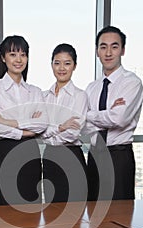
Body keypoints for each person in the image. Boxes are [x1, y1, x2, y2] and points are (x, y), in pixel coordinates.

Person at [0, 35, 48, 205]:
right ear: (4, 58)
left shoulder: (35, 91)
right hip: (4, 153)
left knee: (31, 209)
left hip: (30, 155)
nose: (19, 60)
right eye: (12, 54)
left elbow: (42, 124)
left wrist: (6, 120)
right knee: (5, 212)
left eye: (23, 54)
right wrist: (27, 129)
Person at [85, 25, 143, 201]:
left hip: (119, 157)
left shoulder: (131, 83)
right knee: (93, 213)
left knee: (120, 216)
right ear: (97, 51)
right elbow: (83, 124)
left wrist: (90, 114)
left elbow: (119, 118)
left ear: (123, 50)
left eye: (114, 46)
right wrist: (107, 114)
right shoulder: (92, 88)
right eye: (103, 47)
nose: (108, 52)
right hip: (95, 156)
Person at [41, 43, 88, 203]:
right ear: (51, 64)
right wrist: (60, 127)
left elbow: (73, 132)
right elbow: (39, 130)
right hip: (49, 157)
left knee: (74, 210)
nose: (62, 68)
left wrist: (50, 135)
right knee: (51, 210)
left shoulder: (80, 96)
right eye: (57, 63)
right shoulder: (43, 97)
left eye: (67, 63)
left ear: (74, 66)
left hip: (71, 157)